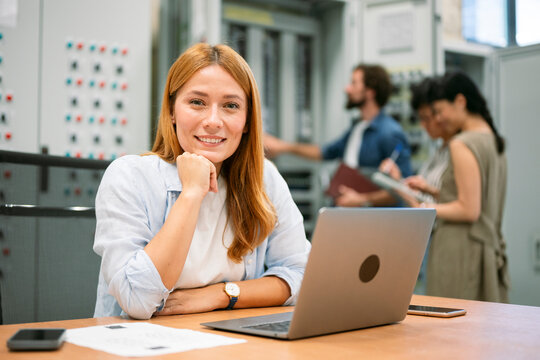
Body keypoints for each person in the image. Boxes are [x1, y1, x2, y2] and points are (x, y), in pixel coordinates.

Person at [93, 43, 311, 320]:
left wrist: (221, 296)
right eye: (197, 102)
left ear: (246, 121)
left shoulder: (264, 178)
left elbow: (301, 277)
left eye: (231, 106)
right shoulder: (129, 177)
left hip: (231, 340)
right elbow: (137, 299)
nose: (213, 121)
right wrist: (192, 193)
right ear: (172, 110)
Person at [404, 72, 509, 302]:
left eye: (440, 111)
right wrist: (432, 191)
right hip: (485, 250)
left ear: (460, 102)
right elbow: (475, 198)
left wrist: (423, 209)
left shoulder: (462, 144)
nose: (439, 119)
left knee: (453, 329)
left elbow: (468, 209)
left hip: (460, 250)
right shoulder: (492, 139)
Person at [264, 64, 413, 207]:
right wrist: (283, 147)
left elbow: (402, 190)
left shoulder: (390, 133)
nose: (347, 89)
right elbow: (324, 152)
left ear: (370, 92)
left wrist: (362, 200)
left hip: (372, 222)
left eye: (354, 83)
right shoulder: (357, 128)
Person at [381, 77, 454, 204]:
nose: (423, 125)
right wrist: (398, 182)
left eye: (426, 118)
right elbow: (424, 206)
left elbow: (452, 205)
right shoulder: (439, 151)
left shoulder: (458, 150)